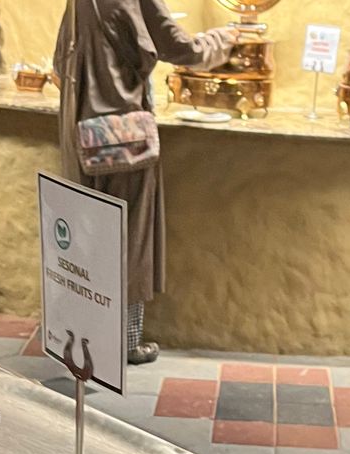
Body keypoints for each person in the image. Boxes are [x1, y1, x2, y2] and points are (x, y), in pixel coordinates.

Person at [54, 0, 235, 364]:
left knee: (86, 239)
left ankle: (86, 335)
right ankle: (125, 342)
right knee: (130, 239)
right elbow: (180, 49)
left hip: (81, 134)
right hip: (125, 137)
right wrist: (224, 39)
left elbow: (60, 64)